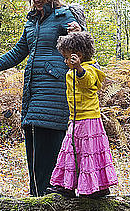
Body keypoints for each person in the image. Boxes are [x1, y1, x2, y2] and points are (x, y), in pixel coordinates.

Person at [0, 0, 82, 196]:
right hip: (33, 91)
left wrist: (77, 32)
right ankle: (37, 196)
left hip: (54, 89)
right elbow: (17, 53)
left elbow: (81, 46)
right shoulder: (32, 21)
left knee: (51, 143)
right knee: (34, 144)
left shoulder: (64, 16)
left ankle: (54, 195)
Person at [48, 31, 118, 198]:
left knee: (89, 151)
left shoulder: (89, 70)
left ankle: (96, 187)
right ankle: (67, 184)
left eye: (66, 58)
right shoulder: (70, 72)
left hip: (88, 119)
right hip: (75, 119)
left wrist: (79, 68)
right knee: (71, 150)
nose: (65, 62)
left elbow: (87, 82)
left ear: (77, 56)